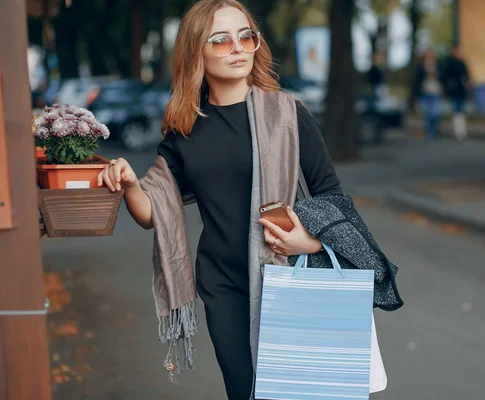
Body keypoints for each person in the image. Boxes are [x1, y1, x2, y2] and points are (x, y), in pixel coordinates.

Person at [96, 1, 343, 398]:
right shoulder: (186, 130)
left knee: (300, 392)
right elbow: (151, 211)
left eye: (246, 36)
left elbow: (331, 195)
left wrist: (310, 243)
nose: (238, 48)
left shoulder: (287, 114)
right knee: (246, 392)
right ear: (197, 51)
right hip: (223, 285)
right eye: (222, 40)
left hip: (289, 272)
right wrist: (128, 183)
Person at [441, 44, 471, 141]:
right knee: (456, 111)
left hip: (461, 91)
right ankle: (458, 131)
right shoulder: (449, 63)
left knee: (460, 111)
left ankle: (461, 131)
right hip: (453, 91)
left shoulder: (462, 63)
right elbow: (444, 76)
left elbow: (467, 76)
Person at [413, 48, 444, 140]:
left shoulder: (438, 66)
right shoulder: (421, 66)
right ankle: (430, 133)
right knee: (427, 114)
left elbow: (443, 78)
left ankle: (434, 130)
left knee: (436, 113)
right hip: (425, 93)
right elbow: (416, 81)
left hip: (436, 92)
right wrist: (415, 96)